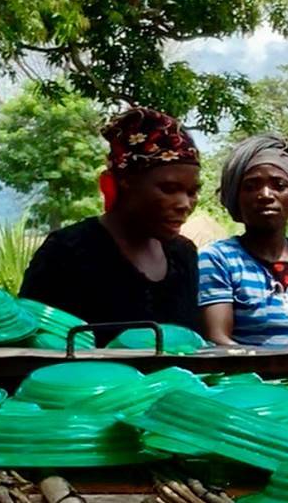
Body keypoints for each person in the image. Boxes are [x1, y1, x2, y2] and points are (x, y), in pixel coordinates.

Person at [19, 107, 202, 341]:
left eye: (192, 191)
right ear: (126, 181)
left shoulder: (183, 255)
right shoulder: (67, 252)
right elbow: (34, 346)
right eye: (169, 189)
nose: (184, 203)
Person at [197, 134, 288, 348]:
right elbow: (218, 340)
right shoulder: (218, 260)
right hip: (246, 379)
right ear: (235, 198)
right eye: (251, 186)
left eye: (279, 185)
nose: (265, 195)